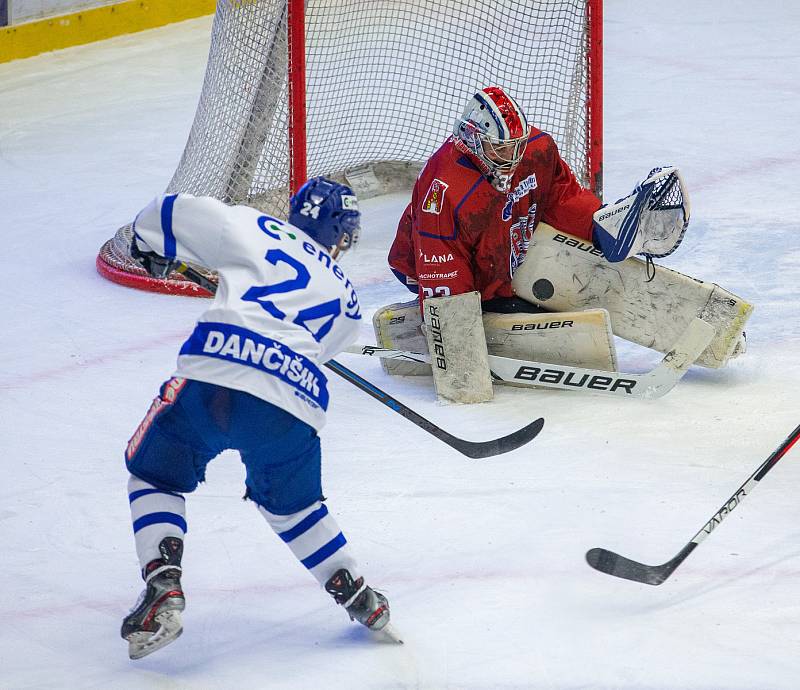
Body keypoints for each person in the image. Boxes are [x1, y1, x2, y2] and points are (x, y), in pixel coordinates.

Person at [120, 178, 393, 660]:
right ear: (341, 234)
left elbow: (162, 212)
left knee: (153, 474)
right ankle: (355, 591)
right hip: (294, 399)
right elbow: (315, 345)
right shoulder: (349, 300)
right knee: (295, 508)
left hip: (216, 370)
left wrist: (149, 246)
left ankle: (164, 583)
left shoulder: (251, 224)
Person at [387, 86, 687, 312]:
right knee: (529, 308)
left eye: (516, 145)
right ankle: (494, 296)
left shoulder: (535, 149)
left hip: (503, 253)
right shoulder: (444, 188)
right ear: (473, 139)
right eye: (500, 149)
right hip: (429, 266)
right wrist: (457, 318)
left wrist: (598, 226)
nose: (512, 157)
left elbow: (561, 196)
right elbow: (441, 256)